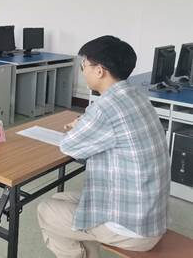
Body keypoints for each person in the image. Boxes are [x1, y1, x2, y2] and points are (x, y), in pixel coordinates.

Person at [37, 35, 170, 258]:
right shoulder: (136, 96)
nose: (83, 71)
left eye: (84, 66)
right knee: (59, 199)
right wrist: (85, 123)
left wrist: (77, 127)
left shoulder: (105, 108)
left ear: (99, 71)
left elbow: (69, 146)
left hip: (133, 229)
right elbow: (109, 126)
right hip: (150, 214)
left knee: (46, 211)